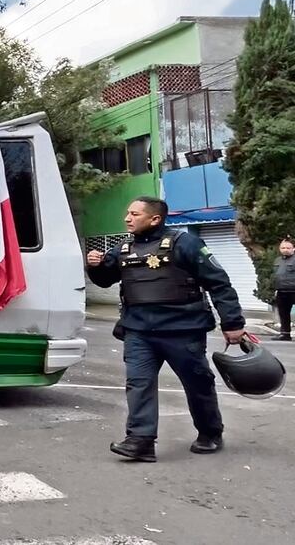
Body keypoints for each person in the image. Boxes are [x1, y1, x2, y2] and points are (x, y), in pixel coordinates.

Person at [85, 197, 246, 462]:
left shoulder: (186, 243)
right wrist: (95, 266)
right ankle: (140, 441)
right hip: (138, 331)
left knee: (197, 384)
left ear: (155, 219)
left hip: (182, 330)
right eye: (127, 213)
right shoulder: (124, 247)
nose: (127, 218)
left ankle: (210, 432)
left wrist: (232, 323)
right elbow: (104, 280)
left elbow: (219, 284)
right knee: (138, 384)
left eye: (134, 214)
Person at [273, 238, 295, 342]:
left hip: (293, 290)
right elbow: (276, 276)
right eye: (283, 247)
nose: (285, 249)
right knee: (283, 313)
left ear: (293, 248)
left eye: (288, 247)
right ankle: (285, 334)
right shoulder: (278, 260)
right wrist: (276, 289)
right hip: (282, 291)